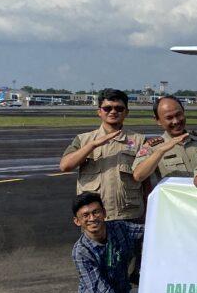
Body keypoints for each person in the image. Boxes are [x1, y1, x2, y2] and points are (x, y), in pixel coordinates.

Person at [68, 192, 142, 293]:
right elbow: (101, 290)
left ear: (104, 213)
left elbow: (149, 232)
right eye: (85, 215)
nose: (92, 218)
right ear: (77, 221)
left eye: (96, 212)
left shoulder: (120, 228)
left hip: (122, 292)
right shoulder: (81, 251)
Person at [59, 88, 146, 221]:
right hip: (94, 218)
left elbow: (145, 181)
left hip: (129, 215)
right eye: (107, 108)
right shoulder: (84, 139)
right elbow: (65, 166)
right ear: (99, 112)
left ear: (126, 112)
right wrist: (93, 145)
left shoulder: (138, 140)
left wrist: (148, 212)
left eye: (119, 108)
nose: (113, 112)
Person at [131, 96, 197, 183]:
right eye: (169, 118)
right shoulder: (153, 147)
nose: (176, 121)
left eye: (178, 115)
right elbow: (138, 176)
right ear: (158, 120)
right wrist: (160, 151)